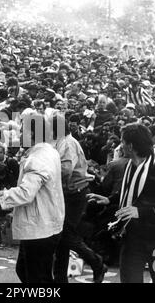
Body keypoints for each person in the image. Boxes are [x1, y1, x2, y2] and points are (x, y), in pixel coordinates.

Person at [88, 123, 155, 283]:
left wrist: (140, 212)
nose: (120, 145)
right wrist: (109, 200)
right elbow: (130, 194)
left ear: (131, 146)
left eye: (123, 142)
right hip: (132, 239)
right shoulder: (129, 167)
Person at [0, 114, 65, 283]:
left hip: (40, 229)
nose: (18, 137)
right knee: (26, 271)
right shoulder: (50, 152)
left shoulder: (38, 159)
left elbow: (26, 193)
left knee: (36, 279)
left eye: (22, 132)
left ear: (32, 135)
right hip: (46, 224)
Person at [51, 115, 107, 283]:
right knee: (62, 237)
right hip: (71, 192)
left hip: (74, 193)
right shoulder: (63, 141)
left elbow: (66, 170)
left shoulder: (67, 144)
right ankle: (60, 278)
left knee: (66, 234)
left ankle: (96, 262)